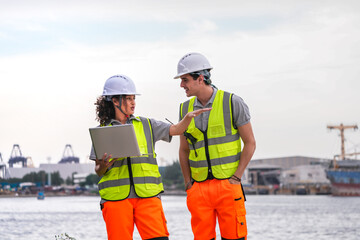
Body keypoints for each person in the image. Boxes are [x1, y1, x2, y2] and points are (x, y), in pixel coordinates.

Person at [89, 74, 211, 240]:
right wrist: (104, 165)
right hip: (116, 200)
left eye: (134, 98)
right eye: (129, 98)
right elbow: (98, 170)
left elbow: (175, 130)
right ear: (115, 101)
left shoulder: (147, 124)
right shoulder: (103, 131)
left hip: (147, 197)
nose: (133, 102)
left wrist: (187, 119)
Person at [175, 53, 256, 240]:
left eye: (185, 80)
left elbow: (250, 143)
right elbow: (183, 150)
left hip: (228, 186)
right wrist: (188, 183)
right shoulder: (183, 109)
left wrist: (236, 177)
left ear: (200, 78)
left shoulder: (232, 102)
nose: (181, 85)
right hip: (199, 190)